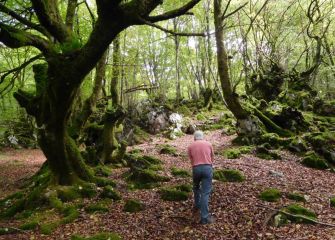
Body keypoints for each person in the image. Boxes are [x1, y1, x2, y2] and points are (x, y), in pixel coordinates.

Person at [187, 130, 215, 224]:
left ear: (194, 138)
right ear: (203, 137)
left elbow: (191, 159)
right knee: (205, 192)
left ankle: (197, 204)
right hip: (207, 168)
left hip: (196, 168)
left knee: (195, 187)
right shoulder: (209, 144)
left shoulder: (190, 146)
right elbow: (212, 157)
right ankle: (204, 217)